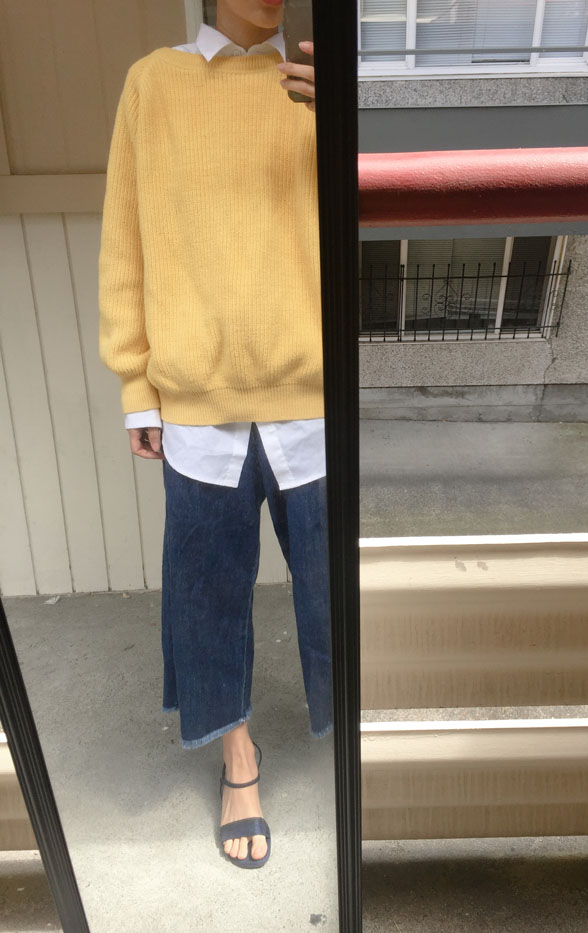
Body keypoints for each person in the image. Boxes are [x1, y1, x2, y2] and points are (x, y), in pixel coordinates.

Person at [97, 0, 330, 869]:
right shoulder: (153, 85)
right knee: (207, 601)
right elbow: (125, 241)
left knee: (334, 594)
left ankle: (354, 737)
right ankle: (239, 760)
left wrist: (347, 123)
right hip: (196, 404)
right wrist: (137, 387)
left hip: (315, 397)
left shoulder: (315, 86)